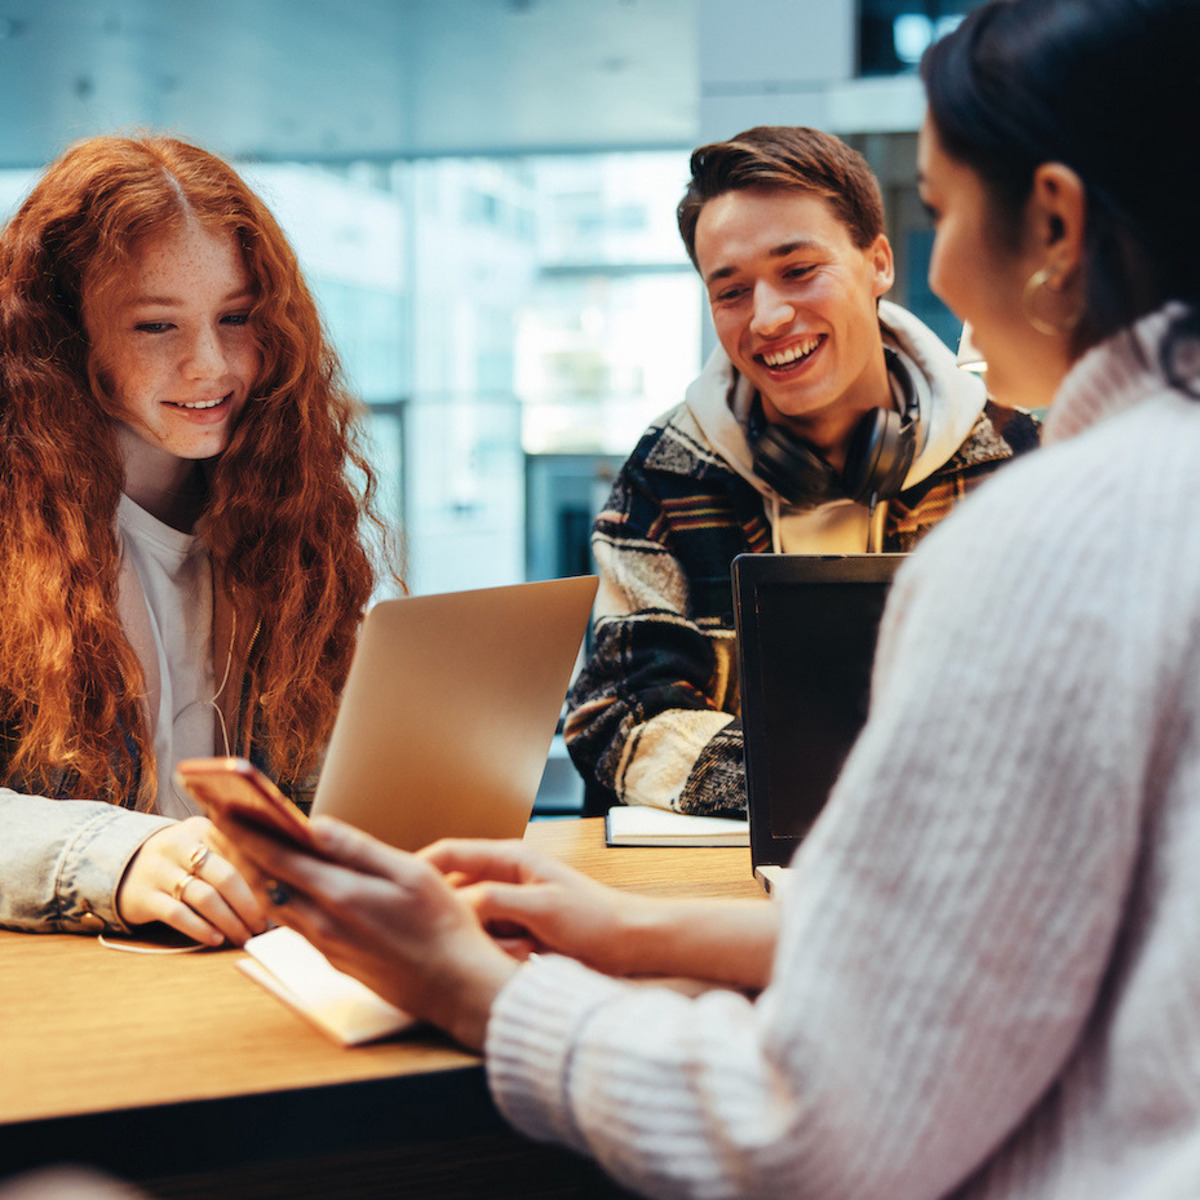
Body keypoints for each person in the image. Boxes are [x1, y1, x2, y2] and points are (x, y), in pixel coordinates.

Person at [210, 0, 1200, 1195]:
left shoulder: (1038, 527)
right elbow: (982, 933)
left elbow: (816, 1125)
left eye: (936, 211)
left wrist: (480, 990)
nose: (938, 267)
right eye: (732, 287)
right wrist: (629, 927)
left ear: (1052, 221)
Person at [563, 124, 1039, 816]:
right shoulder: (667, 471)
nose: (767, 319)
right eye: (730, 292)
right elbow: (620, 716)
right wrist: (848, 778)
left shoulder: (1013, 456)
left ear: (878, 262)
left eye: (798, 270)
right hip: (725, 893)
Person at [0, 135, 396, 946]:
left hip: (243, 963)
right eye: (156, 327)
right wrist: (120, 855)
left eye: (238, 318)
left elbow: (313, 775)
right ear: (61, 335)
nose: (210, 365)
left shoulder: (280, 507)